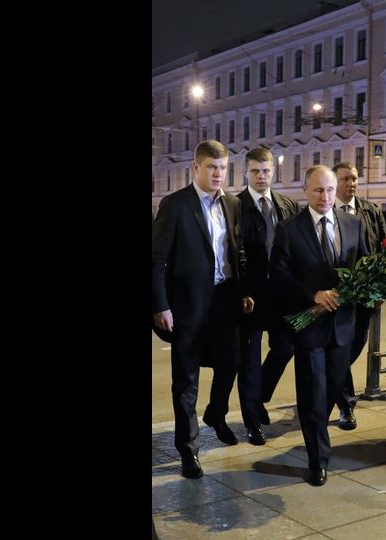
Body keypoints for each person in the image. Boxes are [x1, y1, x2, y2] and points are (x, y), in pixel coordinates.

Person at [152, 139, 253, 479]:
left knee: (232, 362)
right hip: (187, 305)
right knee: (186, 380)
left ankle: (215, 413)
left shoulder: (234, 204)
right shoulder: (175, 205)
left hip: (224, 300)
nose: (217, 174)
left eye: (222, 168)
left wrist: (244, 290)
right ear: (195, 168)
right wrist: (160, 305)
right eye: (211, 167)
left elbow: (236, 251)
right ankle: (189, 450)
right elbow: (157, 261)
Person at [268, 165, 368, 486]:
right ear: (305, 190)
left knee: (331, 388)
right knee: (312, 392)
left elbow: (365, 265)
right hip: (309, 326)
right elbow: (280, 275)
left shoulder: (354, 223)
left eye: (328, 190)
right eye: (317, 190)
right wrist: (313, 294)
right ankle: (317, 459)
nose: (324, 197)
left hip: (342, 326)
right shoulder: (289, 229)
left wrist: (358, 289)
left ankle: (316, 430)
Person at [236, 147, 300, 445]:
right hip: (250, 297)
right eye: (255, 172)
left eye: (266, 171)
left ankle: (259, 396)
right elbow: (231, 253)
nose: (261, 176)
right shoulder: (235, 205)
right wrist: (243, 290)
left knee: (285, 347)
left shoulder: (287, 205)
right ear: (245, 173)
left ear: (274, 171)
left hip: (281, 295)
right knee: (248, 360)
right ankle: (252, 422)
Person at [331, 161, 386, 430]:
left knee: (355, 346)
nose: (351, 183)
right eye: (345, 179)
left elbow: (383, 251)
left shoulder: (371, 211)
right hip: (336, 297)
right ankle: (346, 405)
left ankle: (331, 386)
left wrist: (382, 288)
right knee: (341, 349)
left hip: (365, 296)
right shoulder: (326, 210)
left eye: (354, 178)